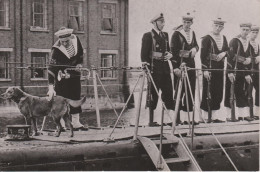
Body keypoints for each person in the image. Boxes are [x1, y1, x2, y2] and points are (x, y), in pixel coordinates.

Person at [47, 27, 87, 130]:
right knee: (61, 101)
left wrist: (79, 64)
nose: (64, 43)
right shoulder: (56, 49)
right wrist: (51, 88)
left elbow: (81, 55)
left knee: (75, 97)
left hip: (74, 75)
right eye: (62, 41)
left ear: (70, 37)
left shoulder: (76, 40)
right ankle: (62, 125)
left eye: (66, 41)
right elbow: (51, 69)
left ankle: (76, 123)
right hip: (62, 78)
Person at [141, 13, 174, 126]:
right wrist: (146, 66)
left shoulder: (165, 35)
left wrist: (170, 55)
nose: (163, 24)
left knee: (169, 92)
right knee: (153, 94)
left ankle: (166, 119)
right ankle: (151, 120)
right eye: (161, 22)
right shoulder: (148, 35)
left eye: (164, 22)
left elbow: (169, 50)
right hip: (154, 69)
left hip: (165, 68)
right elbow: (144, 54)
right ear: (155, 23)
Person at [170, 13, 199, 125]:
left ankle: (188, 118)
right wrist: (175, 68)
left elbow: (196, 45)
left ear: (192, 23)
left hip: (191, 65)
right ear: (182, 22)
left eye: (189, 22)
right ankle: (176, 119)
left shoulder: (192, 33)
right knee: (179, 92)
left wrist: (195, 49)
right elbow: (172, 52)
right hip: (180, 65)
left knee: (190, 91)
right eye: (185, 22)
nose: (187, 24)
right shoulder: (176, 34)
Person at [200, 18, 229, 123]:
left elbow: (228, 50)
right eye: (216, 26)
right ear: (212, 26)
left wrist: (224, 53)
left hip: (219, 69)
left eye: (220, 26)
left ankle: (215, 116)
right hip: (210, 68)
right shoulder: (207, 38)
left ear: (223, 27)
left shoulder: (223, 38)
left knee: (218, 92)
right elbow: (202, 56)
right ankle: (205, 117)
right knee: (207, 91)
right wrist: (205, 70)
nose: (218, 28)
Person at [224, 23, 254, 121]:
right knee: (230, 93)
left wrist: (248, 72)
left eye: (247, 30)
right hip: (233, 70)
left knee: (241, 92)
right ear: (240, 29)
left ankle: (242, 115)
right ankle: (229, 116)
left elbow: (250, 57)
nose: (245, 32)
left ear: (249, 31)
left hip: (242, 71)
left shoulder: (248, 42)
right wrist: (229, 72)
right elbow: (230, 56)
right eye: (243, 29)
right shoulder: (234, 41)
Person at [249, 25, 260, 119]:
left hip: (256, 70)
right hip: (248, 70)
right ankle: (249, 113)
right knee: (248, 91)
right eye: (253, 32)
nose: (255, 34)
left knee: (259, 90)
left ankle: (257, 113)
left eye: (257, 33)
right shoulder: (246, 43)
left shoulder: (257, 43)